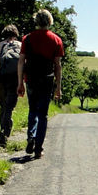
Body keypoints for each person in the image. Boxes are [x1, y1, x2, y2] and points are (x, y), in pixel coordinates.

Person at [17, 9, 64, 159]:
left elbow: (21, 61)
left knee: (32, 110)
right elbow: (57, 65)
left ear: (36, 21)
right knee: (43, 114)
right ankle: (38, 148)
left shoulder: (27, 39)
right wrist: (58, 87)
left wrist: (20, 83)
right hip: (47, 79)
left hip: (30, 78)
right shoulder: (56, 40)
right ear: (50, 21)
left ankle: (31, 136)